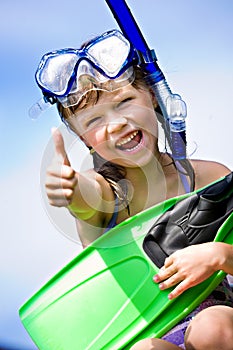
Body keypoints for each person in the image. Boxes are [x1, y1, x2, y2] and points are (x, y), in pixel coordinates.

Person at [36, 30, 233, 349]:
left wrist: (220, 255)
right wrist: (70, 187)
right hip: (148, 337)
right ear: (83, 138)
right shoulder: (107, 195)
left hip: (221, 321)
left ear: (153, 96)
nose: (116, 124)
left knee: (212, 327)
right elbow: (89, 199)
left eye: (125, 102)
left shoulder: (210, 177)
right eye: (94, 120)